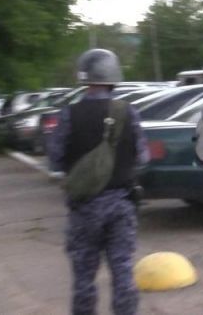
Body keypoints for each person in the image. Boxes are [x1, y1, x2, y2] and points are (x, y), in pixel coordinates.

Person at [48, 48, 149, 315]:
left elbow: (55, 160)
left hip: (84, 208)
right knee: (123, 272)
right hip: (121, 205)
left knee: (83, 278)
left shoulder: (69, 114)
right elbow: (143, 157)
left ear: (84, 78)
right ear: (114, 77)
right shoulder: (128, 112)